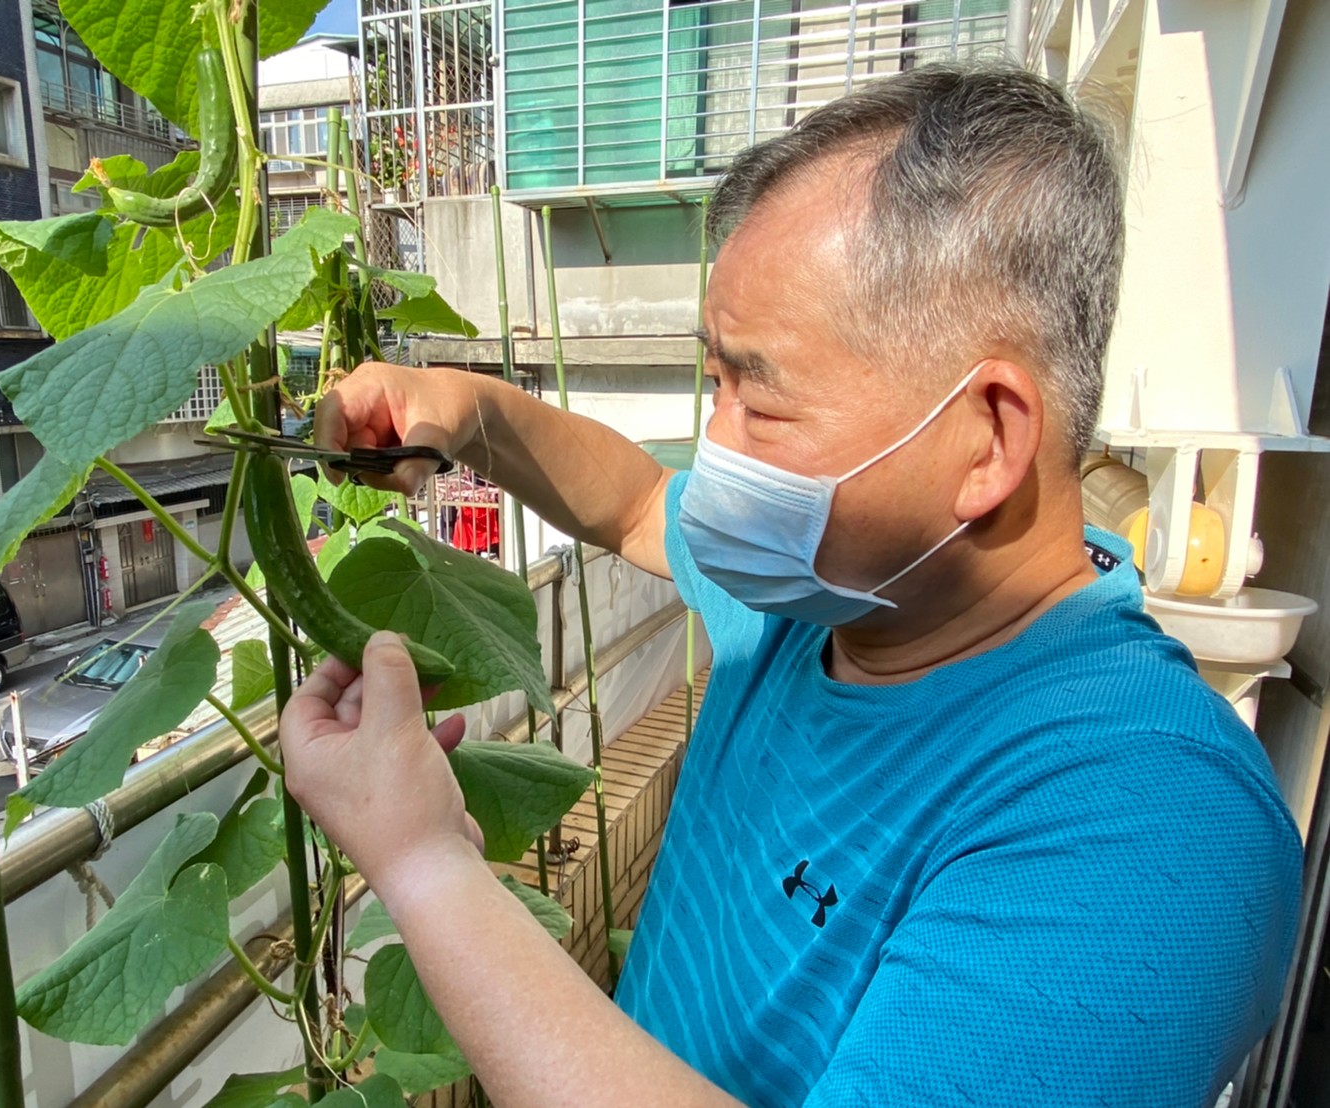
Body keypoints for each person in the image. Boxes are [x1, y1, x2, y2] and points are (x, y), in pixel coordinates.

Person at [281, 63, 1303, 1107]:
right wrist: (461, 407)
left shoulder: (1146, 825)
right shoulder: (831, 590)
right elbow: (635, 503)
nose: (713, 448)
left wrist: (424, 866)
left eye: (759, 405)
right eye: (710, 382)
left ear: (986, 437)